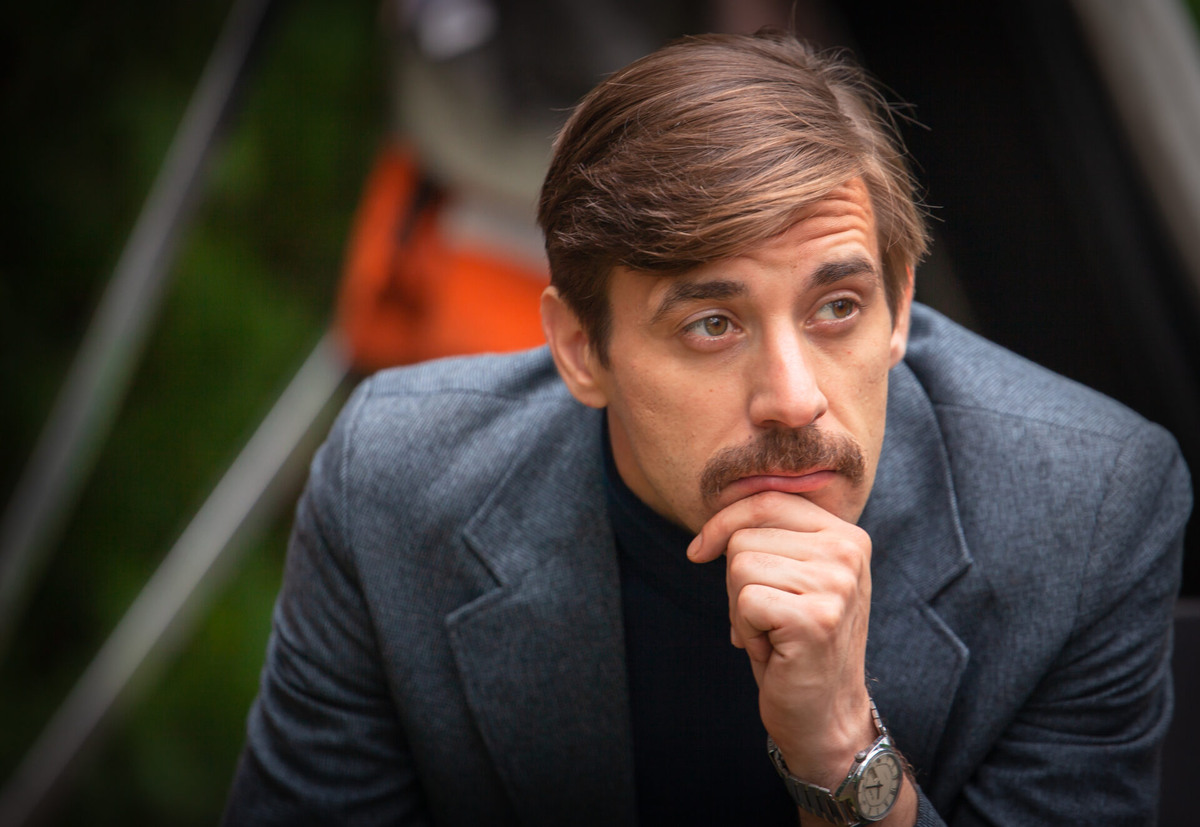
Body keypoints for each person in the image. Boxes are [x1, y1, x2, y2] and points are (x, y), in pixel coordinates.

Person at [222, 30, 1191, 826]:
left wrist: (842, 751)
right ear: (580, 348)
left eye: (838, 307)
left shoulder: (1090, 506)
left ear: (901, 303)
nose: (794, 398)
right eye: (712, 324)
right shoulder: (397, 478)